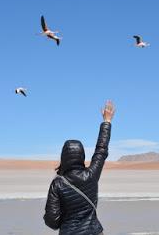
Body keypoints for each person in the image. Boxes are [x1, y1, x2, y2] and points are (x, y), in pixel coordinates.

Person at [44, 100, 115, 235]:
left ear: (63, 157)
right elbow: (101, 150)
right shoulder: (91, 174)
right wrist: (107, 121)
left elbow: (51, 220)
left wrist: (67, 223)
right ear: (82, 156)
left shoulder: (58, 184)